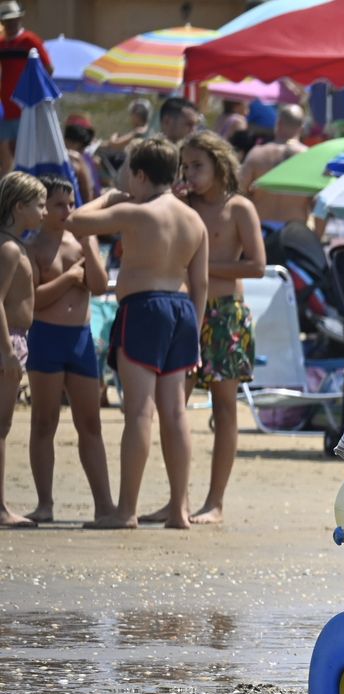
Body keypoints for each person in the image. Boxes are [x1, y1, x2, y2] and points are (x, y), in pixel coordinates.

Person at [69, 139, 208, 531]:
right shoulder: (193, 219)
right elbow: (200, 284)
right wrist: (195, 336)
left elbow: (75, 221)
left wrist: (109, 197)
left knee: (140, 412)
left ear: (140, 175)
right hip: (182, 311)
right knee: (175, 413)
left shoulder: (135, 212)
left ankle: (126, 510)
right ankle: (179, 510)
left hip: (144, 309)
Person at [170, 130, 266, 526]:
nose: (190, 174)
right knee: (173, 406)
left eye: (198, 166)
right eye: (185, 166)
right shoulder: (181, 205)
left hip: (225, 313)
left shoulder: (238, 207)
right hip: (185, 309)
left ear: (219, 165)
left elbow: (257, 265)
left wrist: (203, 266)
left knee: (225, 408)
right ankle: (177, 500)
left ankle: (214, 502)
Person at [24, 175, 111, 524]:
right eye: (59, 204)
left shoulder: (81, 243)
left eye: (71, 203)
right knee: (44, 422)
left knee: (90, 423)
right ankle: (45, 502)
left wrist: (89, 244)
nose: (68, 211)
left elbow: (100, 286)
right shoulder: (32, 247)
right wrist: (69, 279)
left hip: (80, 339)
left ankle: (104, 504)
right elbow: (33, 301)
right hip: (46, 336)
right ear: (43, 209)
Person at [0, 170, 43, 527]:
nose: (43, 212)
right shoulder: (10, 248)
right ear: (18, 207)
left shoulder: (15, 244)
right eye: (38, 205)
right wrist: (7, 352)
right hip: (7, 341)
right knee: (0, 426)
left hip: (16, 339)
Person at [239, 104, 311, 226]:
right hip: (294, 228)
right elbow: (318, 201)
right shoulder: (309, 157)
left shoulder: (257, 154)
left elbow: (239, 190)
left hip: (261, 227)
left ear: (278, 123)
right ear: (302, 128)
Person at [0, 1, 49, 175]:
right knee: (5, 151)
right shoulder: (1, 43)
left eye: (14, 19)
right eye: (7, 20)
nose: (11, 23)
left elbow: (48, 69)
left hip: (26, 107)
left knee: (25, 150)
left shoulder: (30, 40)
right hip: (5, 108)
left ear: (20, 19)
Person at [62, 122, 100, 201]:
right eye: (80, 148)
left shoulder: (80, 159)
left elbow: (88, 190)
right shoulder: (76, 158)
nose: (82, 151)